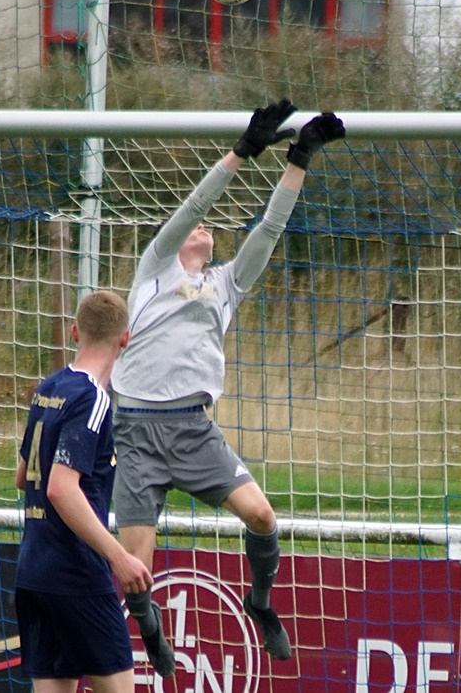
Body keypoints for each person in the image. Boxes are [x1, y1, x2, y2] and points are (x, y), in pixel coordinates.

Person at [111, 99, 346, 674]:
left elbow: (270, 226)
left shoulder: (228, 283)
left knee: (263, 516)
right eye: (198, 225)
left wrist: (300, 158)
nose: (205, 226)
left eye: (212, 228)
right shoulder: (155, 268)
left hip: (193, 429)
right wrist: (243, 152)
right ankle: (151, 630)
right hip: (137, 431)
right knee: (134, 569)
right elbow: (196, 202)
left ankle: (260, 599)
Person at [15, 290, 154, 693]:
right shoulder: (94, 398)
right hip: (75, 573)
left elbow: (23, 476)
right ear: (124, 339)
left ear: (75, 332)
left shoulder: (49, 387)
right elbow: (60, 488)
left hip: (34, 569)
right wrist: (118, 556)